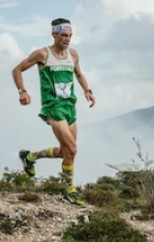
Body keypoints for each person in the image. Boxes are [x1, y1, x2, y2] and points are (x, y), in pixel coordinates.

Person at [12, 18, 95, 206]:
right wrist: (22, 91)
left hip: (69, 106)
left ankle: (31, 157)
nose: (67, 39)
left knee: (67, 153)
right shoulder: (42, 54)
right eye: (64, 35)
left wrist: (87, 91)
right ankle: (69, 191)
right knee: (72, 148)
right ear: (54, 34)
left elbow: (79, 74)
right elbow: (17, 70)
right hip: (53, 106)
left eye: (70, 36)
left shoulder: (73, 54)